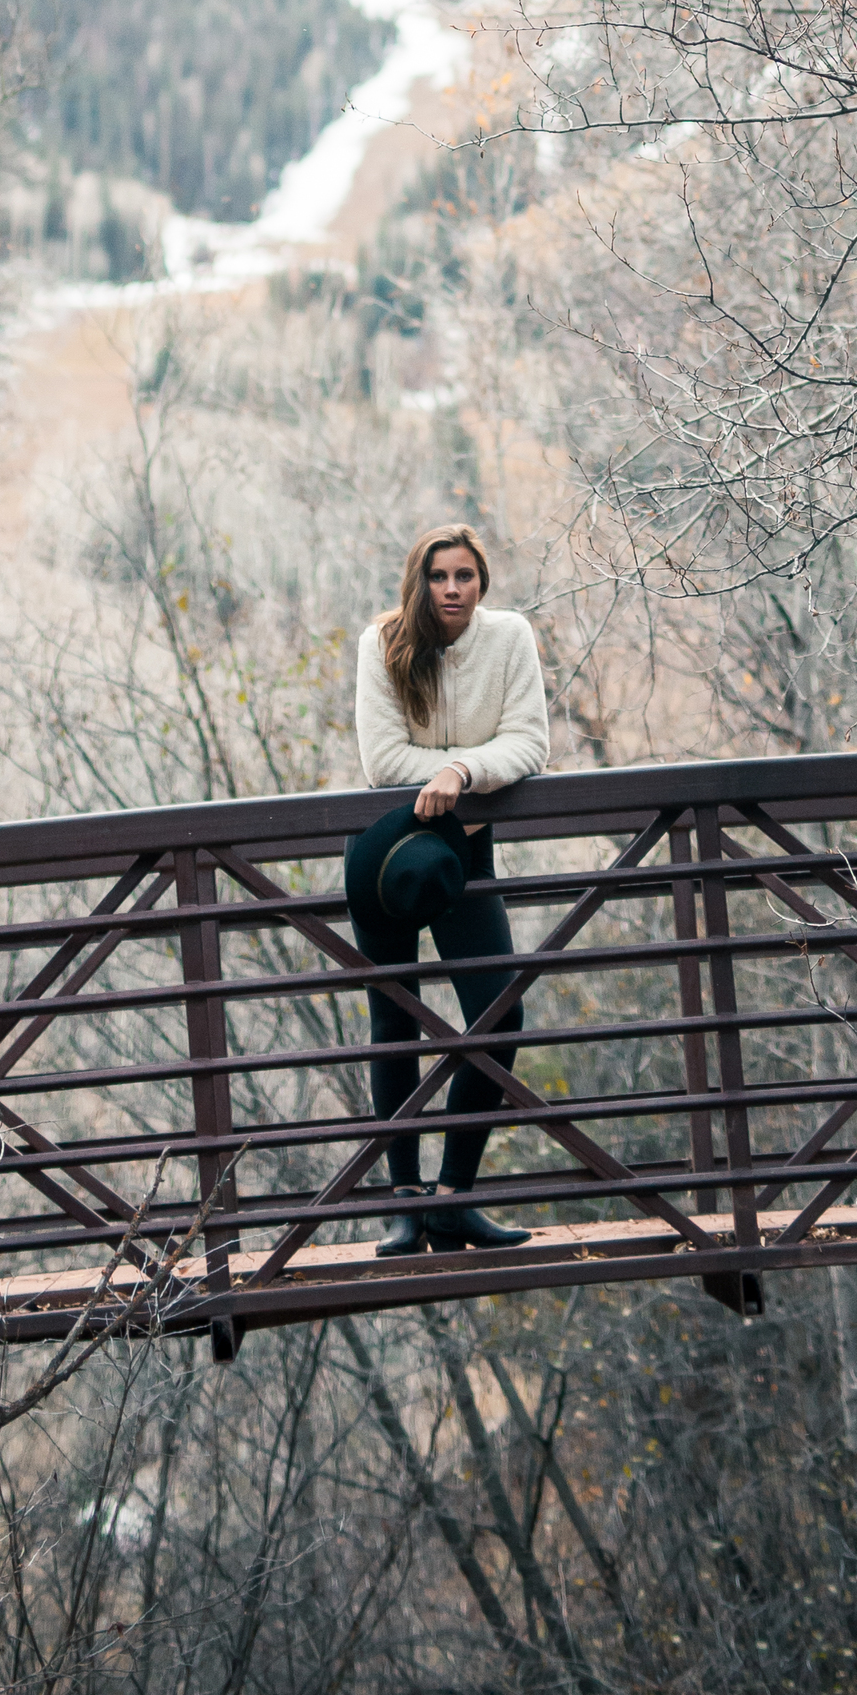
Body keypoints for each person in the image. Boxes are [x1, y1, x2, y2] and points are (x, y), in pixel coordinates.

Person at [346, 520, 548, 1254]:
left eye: (464, 575)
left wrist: (458, 773)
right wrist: (464, 763)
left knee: (499, 1015)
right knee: (394, 1019)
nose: (453, 589)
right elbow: (382, 759)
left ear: (481, 581)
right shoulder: (384, 645)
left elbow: (531, 741)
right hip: (387, 853)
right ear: (419, 582)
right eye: (439, 577)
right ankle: (405, 1204)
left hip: (462, 850)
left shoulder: (509, 639)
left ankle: (454, 1198)